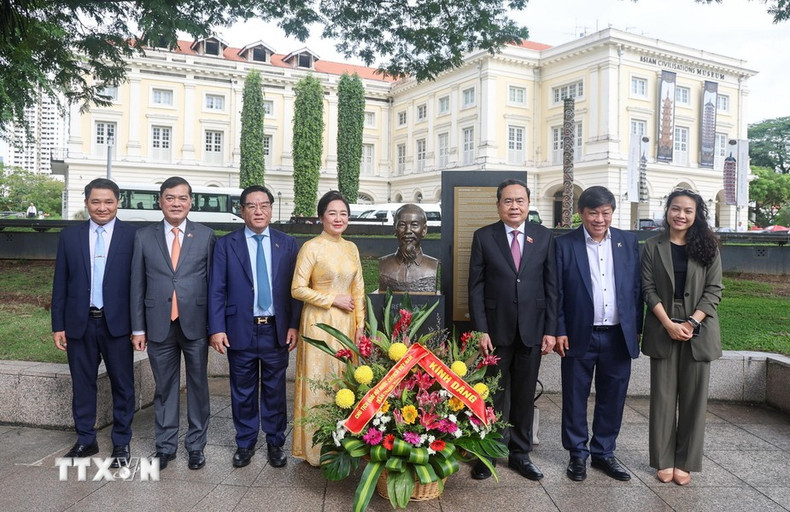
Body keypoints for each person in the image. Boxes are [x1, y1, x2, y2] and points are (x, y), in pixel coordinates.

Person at [467, 179, 557, 481]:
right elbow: (476, 288)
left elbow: (551, 287)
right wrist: (481, 329)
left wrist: (550, 329)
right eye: (508, 201)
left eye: (520, 200)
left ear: (529, 204)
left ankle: (520, 454)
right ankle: (488, 452)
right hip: (495, 332)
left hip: (532, 330)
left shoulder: (544, 238)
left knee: (524, 394)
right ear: (498, 205)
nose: (514, 206)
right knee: (492, 394)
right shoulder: (484, 237)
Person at [208, 185, 302, 469]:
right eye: (252, 206)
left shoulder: (287, 244)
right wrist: (216, 328)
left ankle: (275, 442)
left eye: (264, 205)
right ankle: (245, 442)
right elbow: (216, 289)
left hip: (276, 329)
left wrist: (294, 325)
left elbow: (295, 290)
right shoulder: (226, 244)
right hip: (240, 328)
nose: (258, 211)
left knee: (275, 390)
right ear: (242, 211)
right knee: (243, 390)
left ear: (271, 209)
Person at [554, 186, 642, 482]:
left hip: (618, 334)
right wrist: (560, 329)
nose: (599, 219)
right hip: (579, 334)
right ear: (581, 214)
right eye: (593, 213)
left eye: (605, 213)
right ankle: (577, 454)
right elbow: (557, 292)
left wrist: (636, 329)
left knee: (613, 395)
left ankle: (604, 452)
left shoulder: (628, 242)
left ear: (612, 213)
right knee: (575, 395)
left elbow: (636, 289)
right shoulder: (565, 245)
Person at [130, 176, 216, 470]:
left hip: (196, 324)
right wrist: (138, 328)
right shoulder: (143, 236)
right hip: (158, 324)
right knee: (164, 387)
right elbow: (136, 285)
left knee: (197, 386)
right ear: (160, 201)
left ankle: (196, 446)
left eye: (182, 198)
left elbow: (213, 285)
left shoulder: (205, 235)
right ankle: (165, 447)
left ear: (191, 202)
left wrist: (215, 327)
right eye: (170, 197)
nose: (176, 203)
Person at [51, 179, 136, 467]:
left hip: (118, 326)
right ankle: (85, 439)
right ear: (86, 202)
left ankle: (122, 443)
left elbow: (139, 286)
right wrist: (57, 325)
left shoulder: (132, 236)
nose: (102, 207)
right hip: (79, 323)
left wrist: (139, 328)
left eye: (108, 201)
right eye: (96, 201)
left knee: (123, 385)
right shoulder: (70, 237)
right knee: (82, 384)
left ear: (118, 202)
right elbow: (60, 283)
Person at [641, 189, 722, 486]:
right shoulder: (651, 246)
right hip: (662, 324)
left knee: (693, 399)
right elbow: (647, 288)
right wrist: (668, 324)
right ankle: (663, 460)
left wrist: (690, 321)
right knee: (662, 397)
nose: (681, 215)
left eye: (688, 210)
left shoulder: (709, 247)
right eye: (676, 209)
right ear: (667, 211)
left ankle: (686, 461)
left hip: (698, 328)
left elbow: (714, 290)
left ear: (696, 214)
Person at [291, 190, 365, 466]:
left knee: (344, 380)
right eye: (332, 213)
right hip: (319, 323)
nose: (338, 218)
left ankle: (343, 444)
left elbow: (358, 290)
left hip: (346, 324)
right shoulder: (311, 247)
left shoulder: (351, 248)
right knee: (317, 380)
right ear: (321, 216)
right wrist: (332, 298)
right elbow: (297, 289)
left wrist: (360, 324)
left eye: (343, 213)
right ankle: (314, 448)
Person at [378, 203, 439, 293]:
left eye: (414, 225)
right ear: (394, 228)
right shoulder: (384, 264)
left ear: (424, 230)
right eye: (402, 225)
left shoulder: (432, 265)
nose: (408, 231)